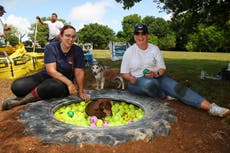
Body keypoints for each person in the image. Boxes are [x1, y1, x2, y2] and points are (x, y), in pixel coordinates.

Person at [120, 24, 230, 117]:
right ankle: (163, 95)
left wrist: (155, 73)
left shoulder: (154, 49)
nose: (140, 36)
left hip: (157, 77)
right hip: (137, 82)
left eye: (143, 33)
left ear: (147, 35)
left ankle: (211, 107)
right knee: (149, 84)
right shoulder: (129, 51)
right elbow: (124, 72)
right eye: (137, 34)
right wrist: (130, 78)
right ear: (134, 36)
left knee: (179, 88)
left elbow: (162, 68)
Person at [2, 25, 91, 110]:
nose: (70, 39)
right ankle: (32, 94)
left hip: (61, 82)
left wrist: (81, 92)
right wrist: (70, 83)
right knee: (17, 86)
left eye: (73, 37)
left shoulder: (77, 50)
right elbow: (51, 71)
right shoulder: (51, 47)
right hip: (46, 75)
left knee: (50, 86)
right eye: (67, 36)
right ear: (61, 36)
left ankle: (21, 101)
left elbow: (79, 72)